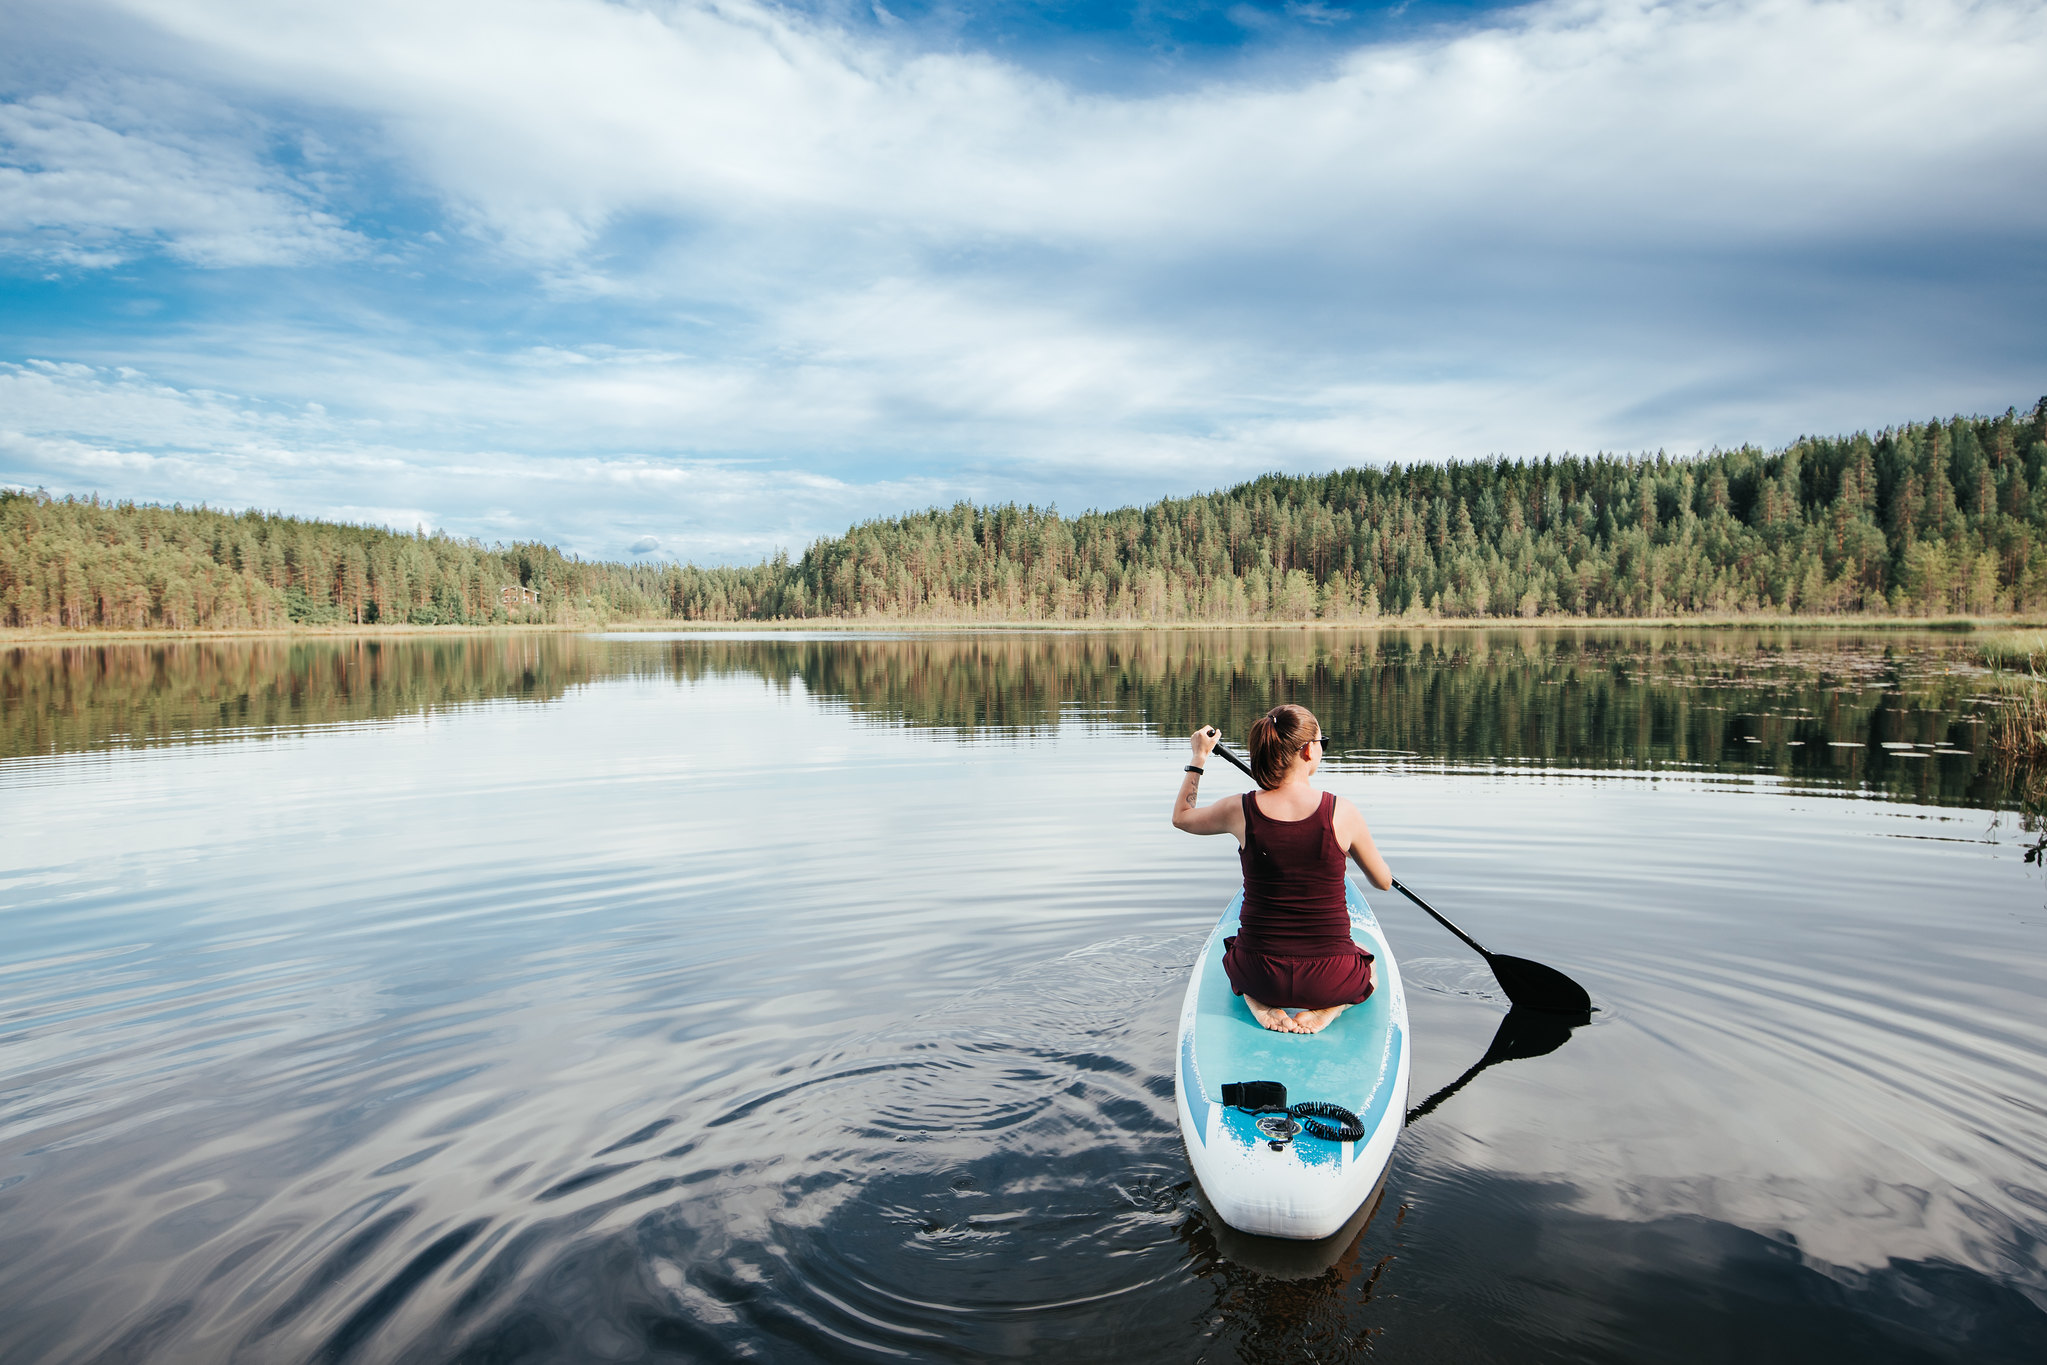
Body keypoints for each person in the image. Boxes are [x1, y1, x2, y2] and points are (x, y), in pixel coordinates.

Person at [1171, 704, 1393, 1034]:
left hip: (1257, 973)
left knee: (1235, 950)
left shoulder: (1239, 809)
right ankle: (1332, 1008)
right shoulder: (1342, 812)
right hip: (1330, 979)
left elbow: (1182, 818)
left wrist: (1199, 757)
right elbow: (1383, 882)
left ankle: (1257, 1000)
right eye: (1323, 743)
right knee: (1370, 966)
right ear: (1307, 750)